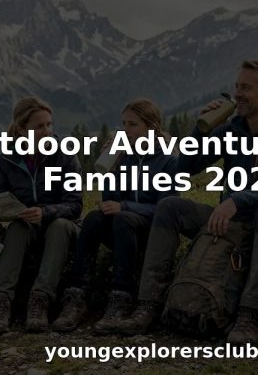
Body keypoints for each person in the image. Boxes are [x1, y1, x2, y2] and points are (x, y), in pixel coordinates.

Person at [118, 60, 258, 344]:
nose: (238, 94)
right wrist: (201, 130)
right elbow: (184, 167)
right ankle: (149, 303)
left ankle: (251, 313)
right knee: (170, 206)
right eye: (237, 86)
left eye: (246, 88)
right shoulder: (232, 130)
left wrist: (238, 200)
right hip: (226, 221)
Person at [52, 98, 178, 334]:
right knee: (93, 218)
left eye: (133, 124)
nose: (125, 130)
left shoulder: (168, 161)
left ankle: (122, 297)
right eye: (123, 124)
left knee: (122, 218)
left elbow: (166, 209)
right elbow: (111, 199)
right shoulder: (125, 158)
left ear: (151, 128)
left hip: (152, 231)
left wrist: (125, 207)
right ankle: (77, 295)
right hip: (123, 229)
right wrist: (112, 168)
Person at [0, 97, 82, 335]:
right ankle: (0, 303)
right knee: (17, 228)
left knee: (59, 226)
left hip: (62, 225)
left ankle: (40, 301)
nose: (47, 131)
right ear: (22, 129)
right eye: (39, 126)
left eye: (49, 124)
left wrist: (45, 212)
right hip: (27, 225)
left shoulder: (65, 155)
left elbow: (75, 205)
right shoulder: (8, 159)